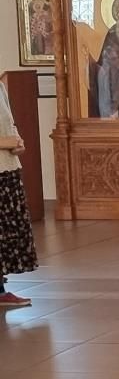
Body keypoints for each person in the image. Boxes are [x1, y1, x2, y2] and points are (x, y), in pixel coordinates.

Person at [0, 82, 38, 308]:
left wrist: (18, 141)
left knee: (6, 233)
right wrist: (5, 142)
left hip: (7, 168)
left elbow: (9, 123)